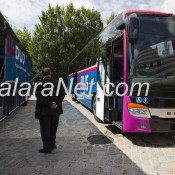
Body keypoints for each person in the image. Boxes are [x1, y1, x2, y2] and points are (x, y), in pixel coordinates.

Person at [35, 67, 65, 154]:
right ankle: (52, 144)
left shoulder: (39, 83)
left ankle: (47, 148)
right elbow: (62, 94)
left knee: (45, 130)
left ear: (42, 74)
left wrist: (49, 103)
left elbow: (38, 96)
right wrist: (56, 103)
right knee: (53, 128)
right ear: (50, 73)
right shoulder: (58, 83)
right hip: (56, 110)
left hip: (44, 111)